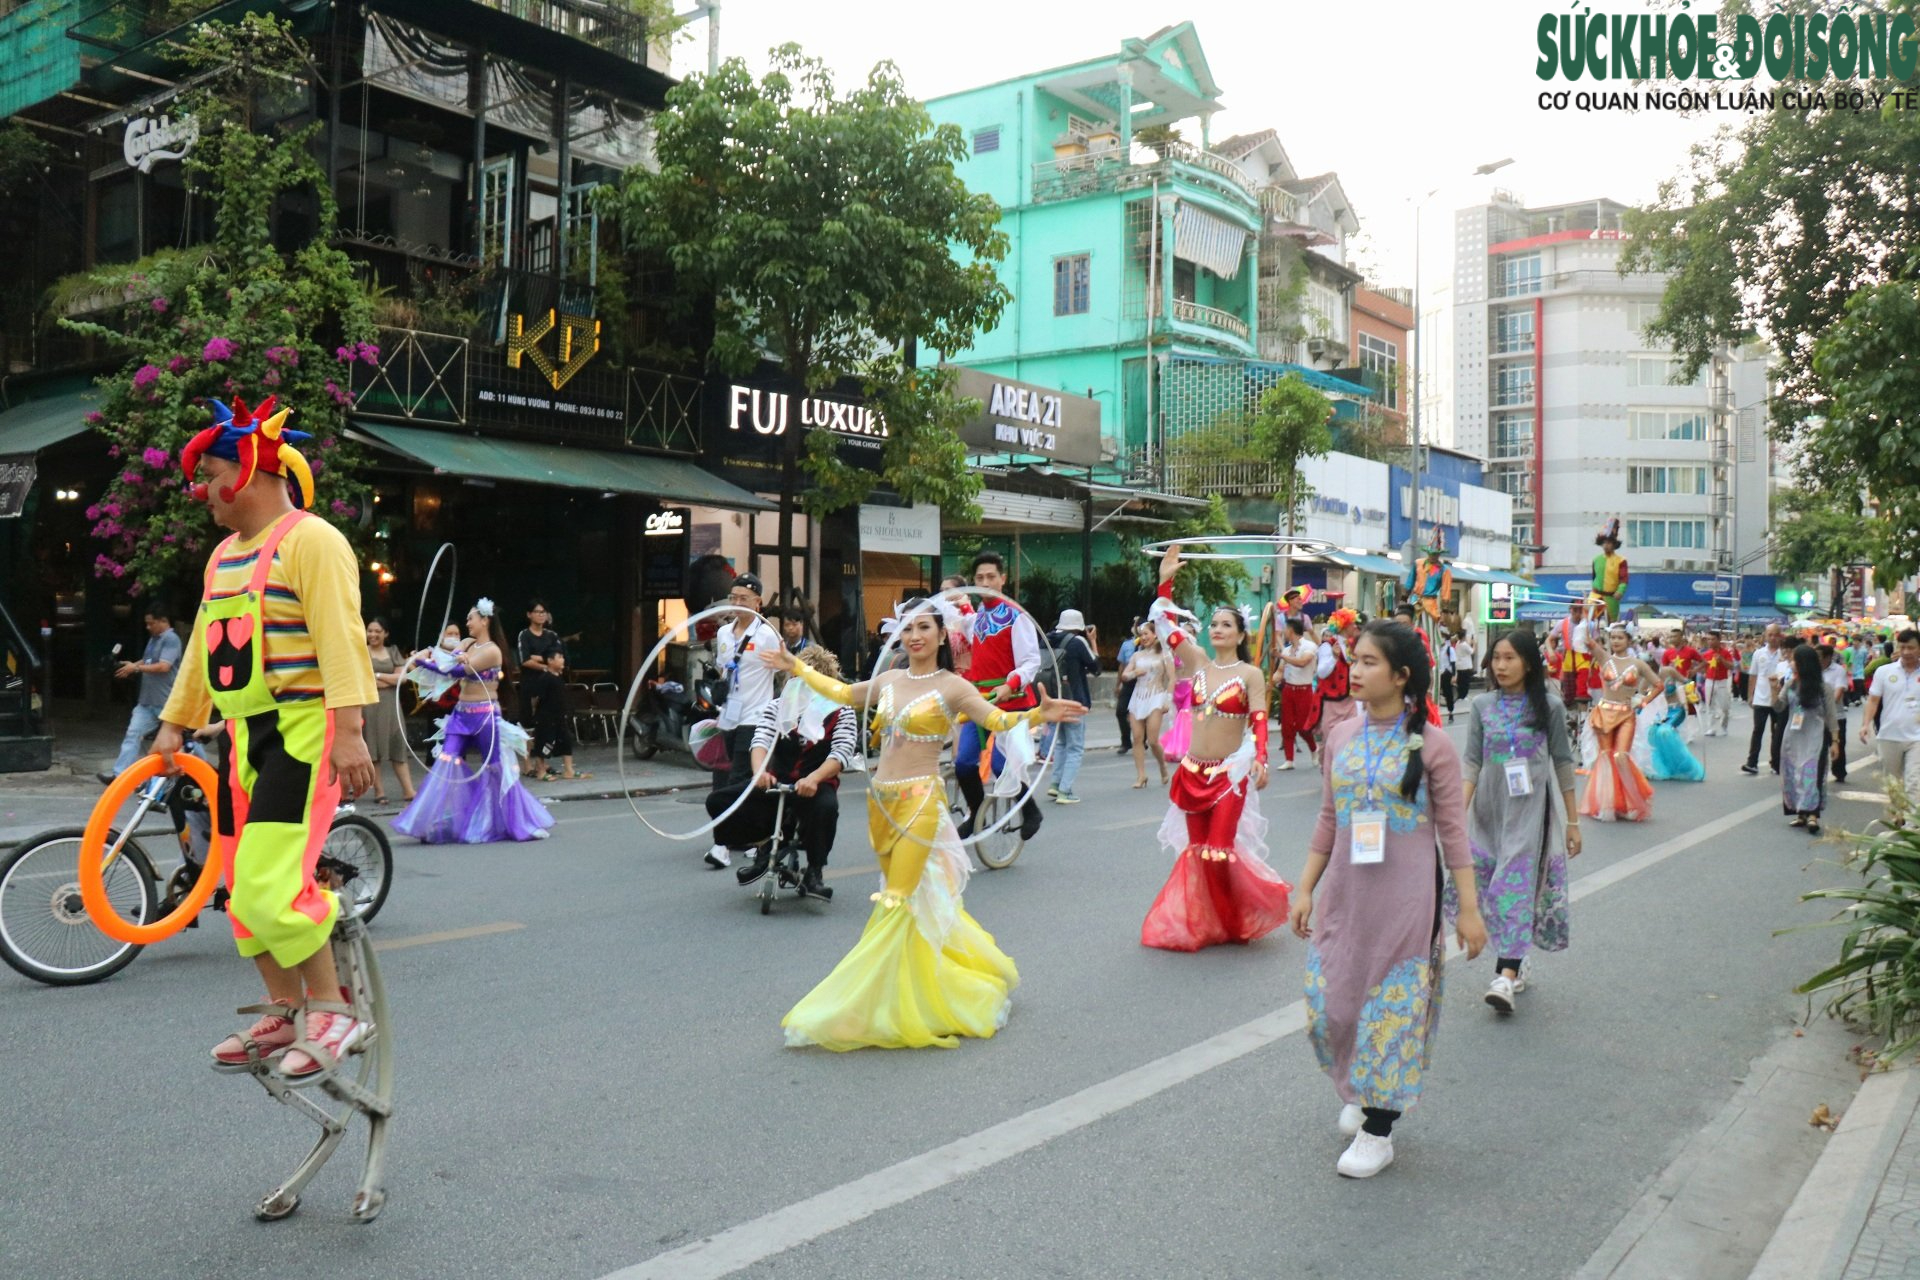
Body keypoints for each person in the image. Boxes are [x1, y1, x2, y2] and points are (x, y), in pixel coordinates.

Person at [151, 395, 378, 1081]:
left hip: (304, 733)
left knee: (267, 884)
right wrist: (173, 722)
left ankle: (335, 1011)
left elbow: (341, 638)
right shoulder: (222, 556)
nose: (201, 493)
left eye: (209, 474)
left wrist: (350, 731)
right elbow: (202, 648)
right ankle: (284, 1009)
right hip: (242, 739)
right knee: (234, 884)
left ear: (248, 469)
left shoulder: (313, 540)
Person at [758, 599, 1085, 1050]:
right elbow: (841, 693)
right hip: (882, 804)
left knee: (893, 902)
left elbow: (994, 719)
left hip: (920, 803)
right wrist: (796, 664)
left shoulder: (953, 687)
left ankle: (854, 1003)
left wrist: (1035, 715)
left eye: (924, 627)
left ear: (942, 635)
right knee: (906, 904)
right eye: (908, 628)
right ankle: (916, 991)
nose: (915, 636)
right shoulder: (890, 679)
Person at [1289, 620, 1486, 1179]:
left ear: (1402, 676)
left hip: (1405, 899)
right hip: (1346, 896)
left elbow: (1453, 836)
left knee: (1391, 1008)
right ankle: (1360, 1083)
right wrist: (1304, 887)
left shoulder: (1435, 746)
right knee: (1332, 1005)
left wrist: (1467, 911)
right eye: (1356, 658)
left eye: (1370, 661)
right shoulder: (1341, 736)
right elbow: (1329, 818)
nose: (1356, 668)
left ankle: (1379, 1129)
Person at [1139, 546, 1292, 951]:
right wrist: (1165, 579)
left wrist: (1260, 758)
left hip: (1229, 775)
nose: (1217, 628)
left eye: (1226, 624)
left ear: (1241, 635)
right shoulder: (1199, 663)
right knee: (1196, 853)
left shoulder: (1249, 673)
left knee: (1219, 852)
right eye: (1213, 623)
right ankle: (1203, 921)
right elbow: (1165, 622)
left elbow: (1259, 719)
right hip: (1192, 771)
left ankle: (1235, 918)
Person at [1447, 628, 1578, 1015]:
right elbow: (1472, 761)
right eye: (1496, 658)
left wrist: (1573, 822)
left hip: (1529, 811)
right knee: (1486, 884)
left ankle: (1504, 975)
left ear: (1528, 663)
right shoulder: (1483, 706)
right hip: (1489, 809)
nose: (1501, 665)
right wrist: (1458, 812)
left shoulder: (1548, 706)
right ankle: (1516, 955)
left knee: (1514, 886)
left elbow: (1563, 762)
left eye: (1510, 658)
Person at [393, 599, 554, 844]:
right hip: (460, 714)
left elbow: (456, 672)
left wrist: (423, 662)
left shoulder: (492, 651)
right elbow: (447, 658)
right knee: (446, 761)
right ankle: (430, 822)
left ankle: (502, 821)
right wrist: (429, 653)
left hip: (485, 716)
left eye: (471, 618)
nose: (467, 623)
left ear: (484, 620)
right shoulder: (467, 644)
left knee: (494, 769)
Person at [707, 644, 858, 898]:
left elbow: (841, 752)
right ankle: (765, 846)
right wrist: (759, 773)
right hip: (779, 782)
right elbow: (761, 740)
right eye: (798, 679)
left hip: (815, 783)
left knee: (826, 808)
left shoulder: (842, 711)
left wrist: (814, 778)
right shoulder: (779, 706)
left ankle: (815, 871)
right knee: (720, 801)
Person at [955, 551, 1045, 842]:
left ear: (1003, 579)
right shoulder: (979, 614)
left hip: (1012, 699)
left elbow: (1031, 661)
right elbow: (970, 629)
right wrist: (962, 607)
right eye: (979, 578)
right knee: (963, 762)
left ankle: (1030, 810)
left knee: (1000, 764)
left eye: (991, 576)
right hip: (980, 699)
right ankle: (976, 809)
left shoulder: (1017, 616)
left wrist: (1010, 684)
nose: (985, 582)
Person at [704, 574, 783, 869]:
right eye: (734, 598)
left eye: (744, 599)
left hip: (757, 716)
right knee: (732, 779)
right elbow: (724, 669)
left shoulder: (767, 635)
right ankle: (754, 835)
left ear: (758, 602)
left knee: (738, 776)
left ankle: (721, 844)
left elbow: (783, 667)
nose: (738, 604)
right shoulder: (724, 633)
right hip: (729, 715)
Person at [1583, 625, 1659, 822]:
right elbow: (1587, 641)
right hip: (1603, 713)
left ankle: (1632, 803)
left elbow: (1659, 685)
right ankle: (1607, 805)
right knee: (1606, 757)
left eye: (1620, 638)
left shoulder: (1638, 664)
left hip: (1626, 714)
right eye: (1613, 637)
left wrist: (1643, 700)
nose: (1615, 641)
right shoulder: (1604, 658)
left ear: (1629, 640)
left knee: (1621, 756)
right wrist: (1589, 615)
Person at [104, 606, 183, 780]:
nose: (148, 627)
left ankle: (197, 769)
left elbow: (164, 666)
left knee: (179, 739)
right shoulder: (154, 639)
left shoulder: (171, 639)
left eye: (151, 623)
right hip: (147, 701)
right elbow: (148, 660)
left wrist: (136, 668)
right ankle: (120, 775)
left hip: (165, 700)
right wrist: (132, 665)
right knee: (133, 734)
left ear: (163, 620)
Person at [516, 600, 586, 783]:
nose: (541, 615)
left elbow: (559, 654)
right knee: (529, 725)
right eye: (537, 611)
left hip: (552, 687)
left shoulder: (552, 635)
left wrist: (539, 658)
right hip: (531, 684)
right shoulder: (524, 635)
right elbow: (524, 660)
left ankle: (548, 765)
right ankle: (528, 765)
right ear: (529, 614)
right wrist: (547, 664)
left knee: (554, 728)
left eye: (543, 612)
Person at [1780, 643, 1842, 834]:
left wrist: (1835, 741)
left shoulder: (1824, 688)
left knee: (1812, 772)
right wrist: (1774, 689)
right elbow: (1778, 707)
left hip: (1815, 738)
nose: (1790, 663)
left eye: (1794, 660)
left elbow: (1832, 716)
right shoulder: (1790, 684)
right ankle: (1800, 812)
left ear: (1803, 663)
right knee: (1792, 773)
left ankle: (1813, 814)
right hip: (1792, 737)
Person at [1862, 629, 1920, 827]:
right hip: (1889, 735)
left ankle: (1912, 828)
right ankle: (1897, 817)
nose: (1905, 652)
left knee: (1914, 782)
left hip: (1917, 738)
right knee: (1893, 783)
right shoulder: (1884, 672)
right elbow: (1873, 700)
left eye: (1910, 647)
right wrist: (1865, 724)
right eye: (1902, 647)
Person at [1043, 609, 1101, 804]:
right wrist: (1092, 641)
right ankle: (1065, 790)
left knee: (1060, 743)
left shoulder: (1046, 640)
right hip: (1075, 700)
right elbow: (1097, 668)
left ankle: (1055, 783)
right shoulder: (1078, 642)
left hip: (1053, 699)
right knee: (1075, 747)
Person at [362, 618, 415, 803]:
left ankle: (409, 791)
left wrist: (377, 675)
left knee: (397, 745)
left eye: (377, 631)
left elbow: (403, 679)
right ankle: (379, 792)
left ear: (386, 633)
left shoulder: (393, 652)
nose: (373, 635)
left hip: (391, 706)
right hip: (369, 706)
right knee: (373, 747)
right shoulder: (361, 652)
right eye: (370, 631)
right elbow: (362, 679)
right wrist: (389, 678)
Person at [1122, 622, 1173, 788]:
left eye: (1146, 634)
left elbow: (1173, 678)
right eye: (1141, 635)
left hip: (1156, 696)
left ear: (1155, 634)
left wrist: (1168, 699)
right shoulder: (1137, 656)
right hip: (1138, 697)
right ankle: (1141, 775)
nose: (1143, 637)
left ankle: (1162, 765)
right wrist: (1133, 673)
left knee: (1152, 739)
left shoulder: (1164, 654)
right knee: (1137, 738)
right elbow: (1124, 676)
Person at [1644, 667, 1706, 783]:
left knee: (1665, 732)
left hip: (1676, 708)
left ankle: (1685, 767)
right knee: (1652, 733)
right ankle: (1662, 767)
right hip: (1658, 713)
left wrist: (1690, 692)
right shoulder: (1645, 679)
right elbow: (1639, 694)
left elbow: (1686, 681)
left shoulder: (1668, 671)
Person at [1742, 624, 1788, 775]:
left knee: (1777, 732)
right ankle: (1752, 762)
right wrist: (1750, 695)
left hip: (1779, 699)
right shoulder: (1758, 653)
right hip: (1760, 698)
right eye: (1770, 635)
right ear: (1765, 636)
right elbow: (1753, 675)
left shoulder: (1785, 654)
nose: (1773, 638)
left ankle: (1776, 763)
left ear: (1780, 635)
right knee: (1757, 731)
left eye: (1776, 634)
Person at [1276, 615, 1320, 770]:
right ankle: (1289, 759)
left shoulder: (1310, 646)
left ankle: (1314, 749)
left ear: (1291, 630)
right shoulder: (1287, 650)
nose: (1283, 632)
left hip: (1304, 691)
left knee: (1303, 727)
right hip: (1289, 690)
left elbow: (1302, 663)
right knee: (1286, 726)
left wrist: (1282, 656)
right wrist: (1271, 681)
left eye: (1285, 629)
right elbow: (1280, 671)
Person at [1316, 609, 1360, 735]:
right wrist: (1334, 658)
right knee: (1332, 740)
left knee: (1350, 739)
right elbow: (1321, 673)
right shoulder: (1327, 646)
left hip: (1350, 700)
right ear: (1344, 626)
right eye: (1352, 623)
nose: (1355, 626)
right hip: (1333, 703)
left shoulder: (1353, 645)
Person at [1821, 644, 1852, 783]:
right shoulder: (1813, 671)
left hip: (1836, 715)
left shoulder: (1838, 671)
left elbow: (1839, 692)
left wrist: (1828, 707)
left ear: (1828, 657)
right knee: (1819, 747)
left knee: (1838, 744)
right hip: (1818, 717)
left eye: (1819, 657)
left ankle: (1839, 772)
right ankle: (1819, 772)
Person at [1590, 518, 1629, 622]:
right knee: (1589, 621)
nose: (1606, 545)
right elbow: (1594, 577)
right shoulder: (1596, 560)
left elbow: (1623, 579)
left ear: (1614, 544)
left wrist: (1620, 591)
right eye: (1604, 543)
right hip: (1595, 596)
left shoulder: (1621, 561)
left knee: (1613, 625)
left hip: (1611, 598)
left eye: (1608, 543)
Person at [1699, 630, 1737, 736]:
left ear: (1719, 640)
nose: (1710, 642)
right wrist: (1703, 672)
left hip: (1722, 682)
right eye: (1709, 639)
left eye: (1713, 639)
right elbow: (1703, 666)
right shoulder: (1706, 654)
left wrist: (1722, 660)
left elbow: (1731, 666)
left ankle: (1724, 726)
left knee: (1725, 707)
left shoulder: (1725, 653)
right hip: (1710, 681)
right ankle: (1711, 728)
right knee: (1709, 705)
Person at [1114, 620, 1139, 754]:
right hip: (1128, 682)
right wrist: (1118, 684)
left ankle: (1142, 739)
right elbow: (1122, 665)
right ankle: (1125, 741)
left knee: (1141, 713)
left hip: (1142, 682)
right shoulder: (1127, 644)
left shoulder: (1151, 645)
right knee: (1121, 711)